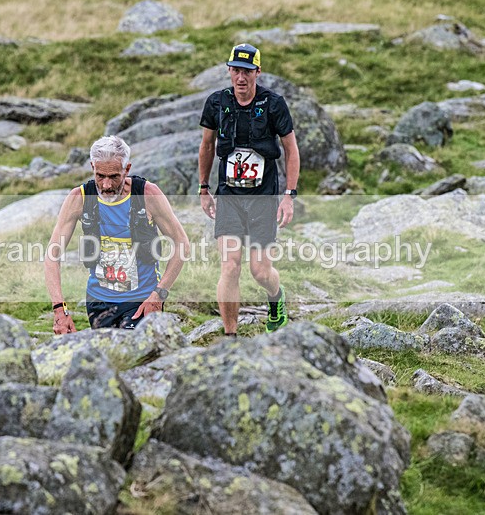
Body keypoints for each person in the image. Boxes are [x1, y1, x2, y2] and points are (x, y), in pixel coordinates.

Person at [198, 43, 300, 336]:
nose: (241, 78)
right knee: (230, 266)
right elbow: (206, 146)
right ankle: (231, 336)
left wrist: (289, 196)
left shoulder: (273, 104)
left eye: (247, 72)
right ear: (229, 70)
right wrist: (204, 188)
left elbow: (291, 150)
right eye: (236, 71)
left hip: (262, 197)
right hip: (229, 195)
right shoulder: (216, 103)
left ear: (257, 72)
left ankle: (276, 297)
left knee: (260, 271)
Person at [44, 135, 189, 334]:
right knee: (109, 361)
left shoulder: (147, 195)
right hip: (99, 303)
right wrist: (59, 309)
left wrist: (159, 295)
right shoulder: (80, 198)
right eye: (100, 176)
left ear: (127, 169)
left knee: (133, 355)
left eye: (114, 177)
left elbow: (182, 243)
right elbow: (53, 255)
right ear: (92, 166)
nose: (106, 185)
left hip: (142, 302)